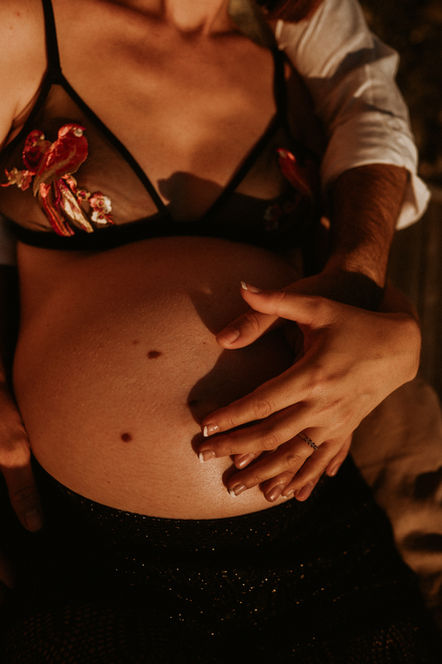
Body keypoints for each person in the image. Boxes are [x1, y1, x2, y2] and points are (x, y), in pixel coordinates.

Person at [0, 0, 439, 661]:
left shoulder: (294, 80)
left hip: (317, 539)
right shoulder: (24, 31)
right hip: (93, 556)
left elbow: (344, 277)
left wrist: (398, 335)